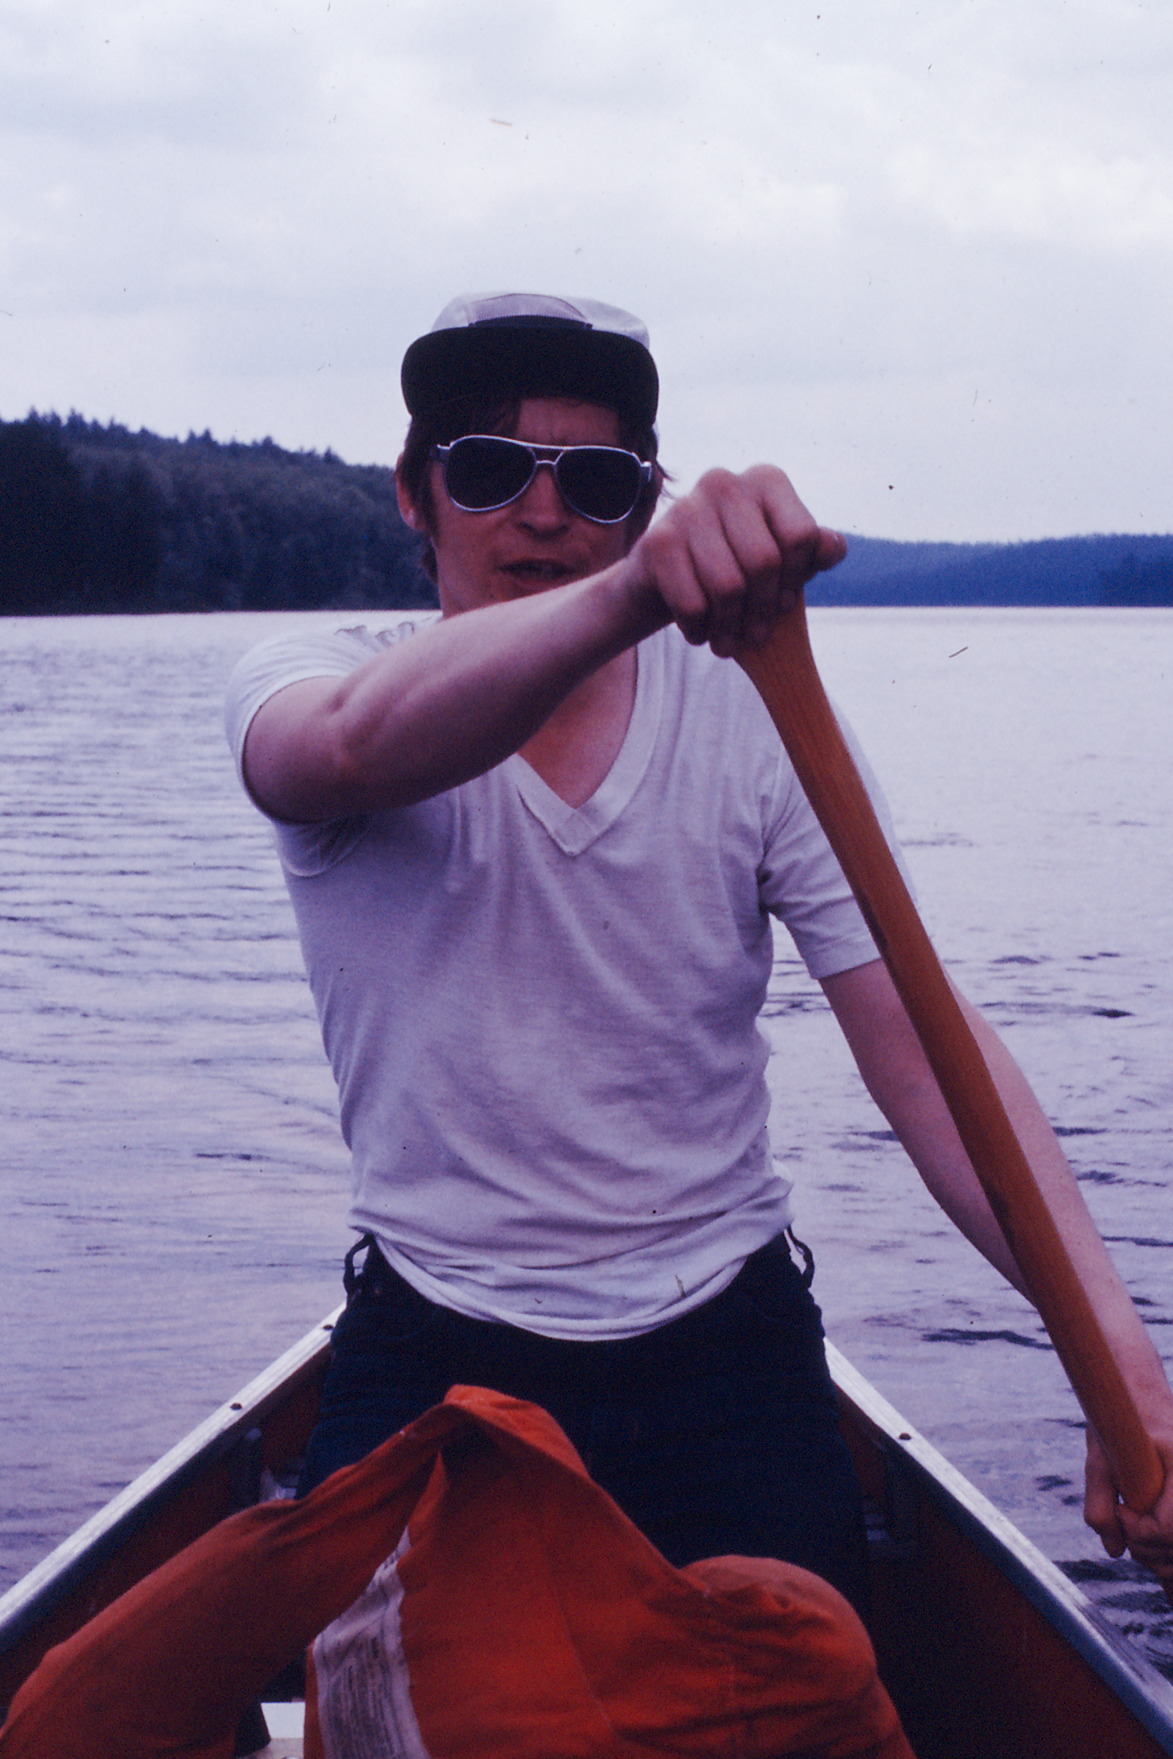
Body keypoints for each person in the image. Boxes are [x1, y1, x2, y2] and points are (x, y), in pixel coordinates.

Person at [226, 291, 1173, 1611]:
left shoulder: (751, 711)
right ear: (412, 495)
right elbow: (338, 754)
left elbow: (927, 1064)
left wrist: (1112, 1361)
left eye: (598, 482)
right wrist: (634, 592)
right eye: (490, 470)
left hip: (721, 1352)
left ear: (643, 497)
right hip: (433, 1338)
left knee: (807, 1703)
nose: (543, 516)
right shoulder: (314, 676)